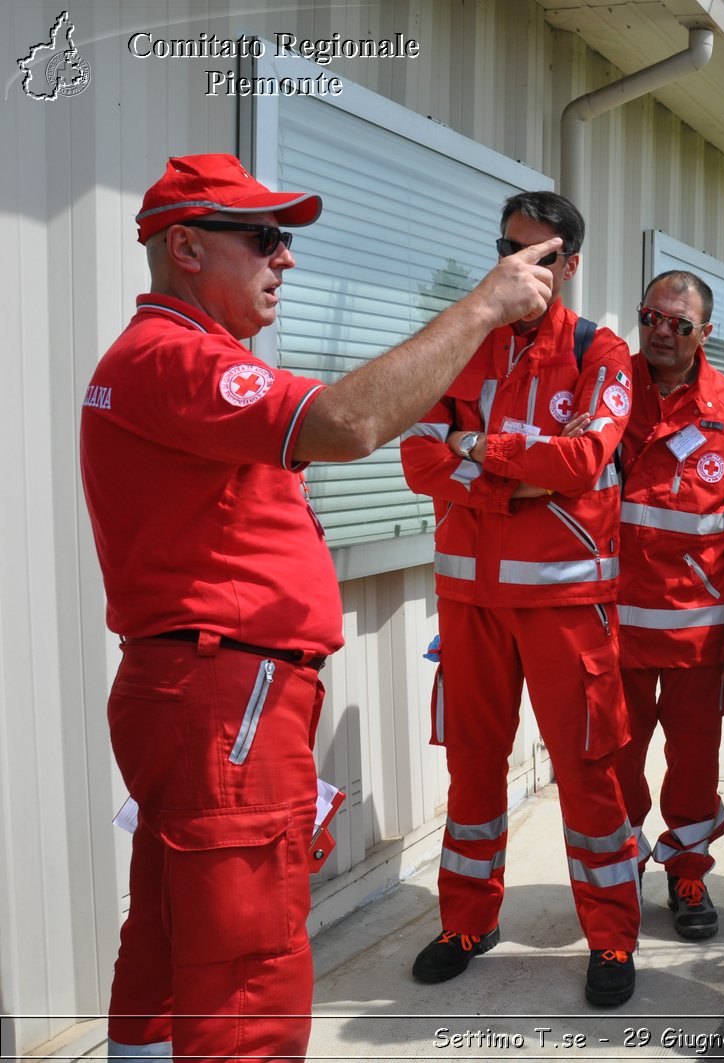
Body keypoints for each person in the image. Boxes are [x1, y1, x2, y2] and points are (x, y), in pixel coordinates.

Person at [80, 153, 557, 1061]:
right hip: (226, 694)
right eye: (263, 239)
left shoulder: (172, 357)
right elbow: (348, 424)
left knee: (175, 942)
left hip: (200, 688)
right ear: (185, 246)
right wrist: (486, 303)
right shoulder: (178, 356)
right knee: (250, 966)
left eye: (286, 239)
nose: (285, 259)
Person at [398, 191, 641, 1005]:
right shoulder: (462, 338)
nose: (519, 264)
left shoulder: (602, 352)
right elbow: (419, 456)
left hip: (567, 605)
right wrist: (515, 474)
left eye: (538, 254)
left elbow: (581, 462)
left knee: (587, 771)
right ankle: (468, 919)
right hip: (469, 602)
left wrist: (475, 447)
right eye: (508, 247)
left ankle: (611, 937)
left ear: (569, 263)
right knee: (471, 767)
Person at [613, 269, 724, 939]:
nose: (661, 332)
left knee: (693, 765)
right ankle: (617, 871)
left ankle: (687, 870)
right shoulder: (604, 392)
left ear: (706, 332)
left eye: (678, 323)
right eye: (651, 316)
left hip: (695, 638)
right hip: (611, 632)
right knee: (614, 762)